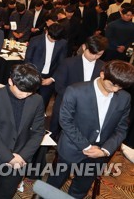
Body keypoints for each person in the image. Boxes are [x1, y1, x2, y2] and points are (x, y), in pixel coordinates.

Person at [47, 60, 134, 198]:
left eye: (120, 87)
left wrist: (105, 151)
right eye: (113, 85)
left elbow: (121, 129)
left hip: (100, 153)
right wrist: (86, 146)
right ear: (102, 74)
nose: (116, 90)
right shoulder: (75, 91)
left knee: (80, 189)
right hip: (72, 148)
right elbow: (65, 121)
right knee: (53, 185)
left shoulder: (125, 98)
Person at [0, 63, 45, 199]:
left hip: (20, 158)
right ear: (10, 81)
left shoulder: (37, 100)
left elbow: (38, 131)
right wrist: (9, 158)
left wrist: (22, 156)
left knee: (6, 193)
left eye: (29, 92)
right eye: (22, 91)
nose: (25, 95)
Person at [49, 35, 107, 140]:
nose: (94, 57)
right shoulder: (68, 63)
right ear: (84, 47)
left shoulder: (103, 67)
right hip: (65, 103)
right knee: (55, 132)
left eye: (99, 54)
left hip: (88, 108)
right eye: (92, 53)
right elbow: (59, 87)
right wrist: (77, 99)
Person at [25, 23, 67, 110]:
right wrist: (34, 76)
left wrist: (52, 79)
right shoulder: (35, 40)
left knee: (43, 104)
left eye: (55, 40)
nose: (53, 41)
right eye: (51, 38)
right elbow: (28, 59)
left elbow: (62, 63)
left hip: (49, 78)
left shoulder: (63, 43)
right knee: (28, 101)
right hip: (33, 75)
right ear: (47, 31)